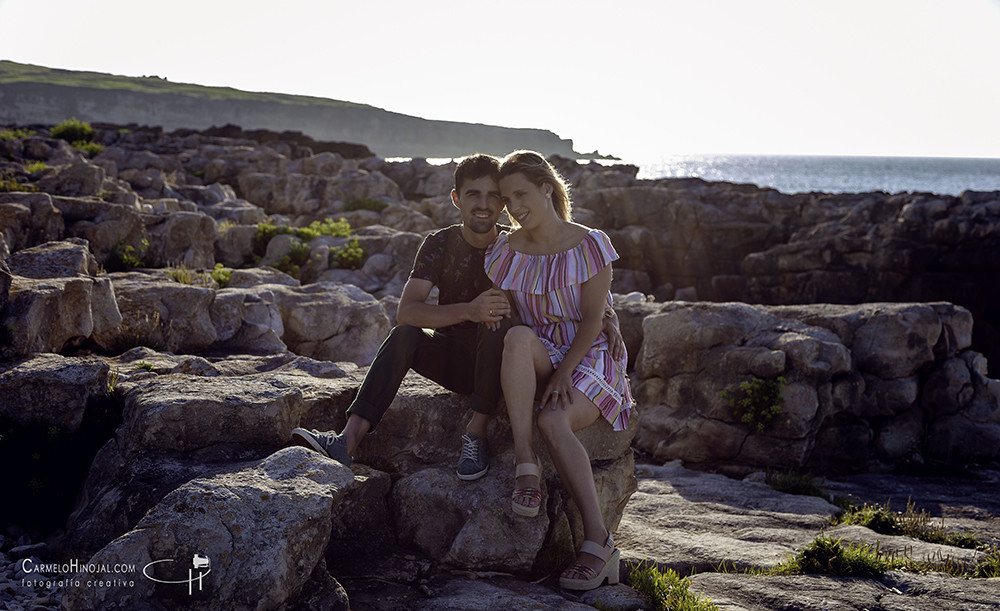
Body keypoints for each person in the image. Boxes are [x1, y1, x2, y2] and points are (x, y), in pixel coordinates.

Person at [293, 153, 514, 480]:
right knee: (404, 334)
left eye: (493, 195)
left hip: (502, 365)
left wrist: (604, 315)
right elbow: (407, 311)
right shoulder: (440, 244)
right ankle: (346, 442)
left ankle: (476, 433)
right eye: (473, 194)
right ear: (456, 198)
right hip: (454, 362)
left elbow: (564, 283)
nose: (484, 204)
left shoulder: (516, 244)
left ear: (504, 202)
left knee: (498, 320)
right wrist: (469, 310)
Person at [484, 150, 633, 591]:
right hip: (542, 349)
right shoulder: (505, 249)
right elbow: (506, 318)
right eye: (507, 199)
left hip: (588, 352)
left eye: (522, 194)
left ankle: (599, 542)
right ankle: (525, 464)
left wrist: (565, 373)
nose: (514, 207)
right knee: (515, 339)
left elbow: (591, 322)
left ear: (547, 187)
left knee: (553, 418)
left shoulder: (589, 244)